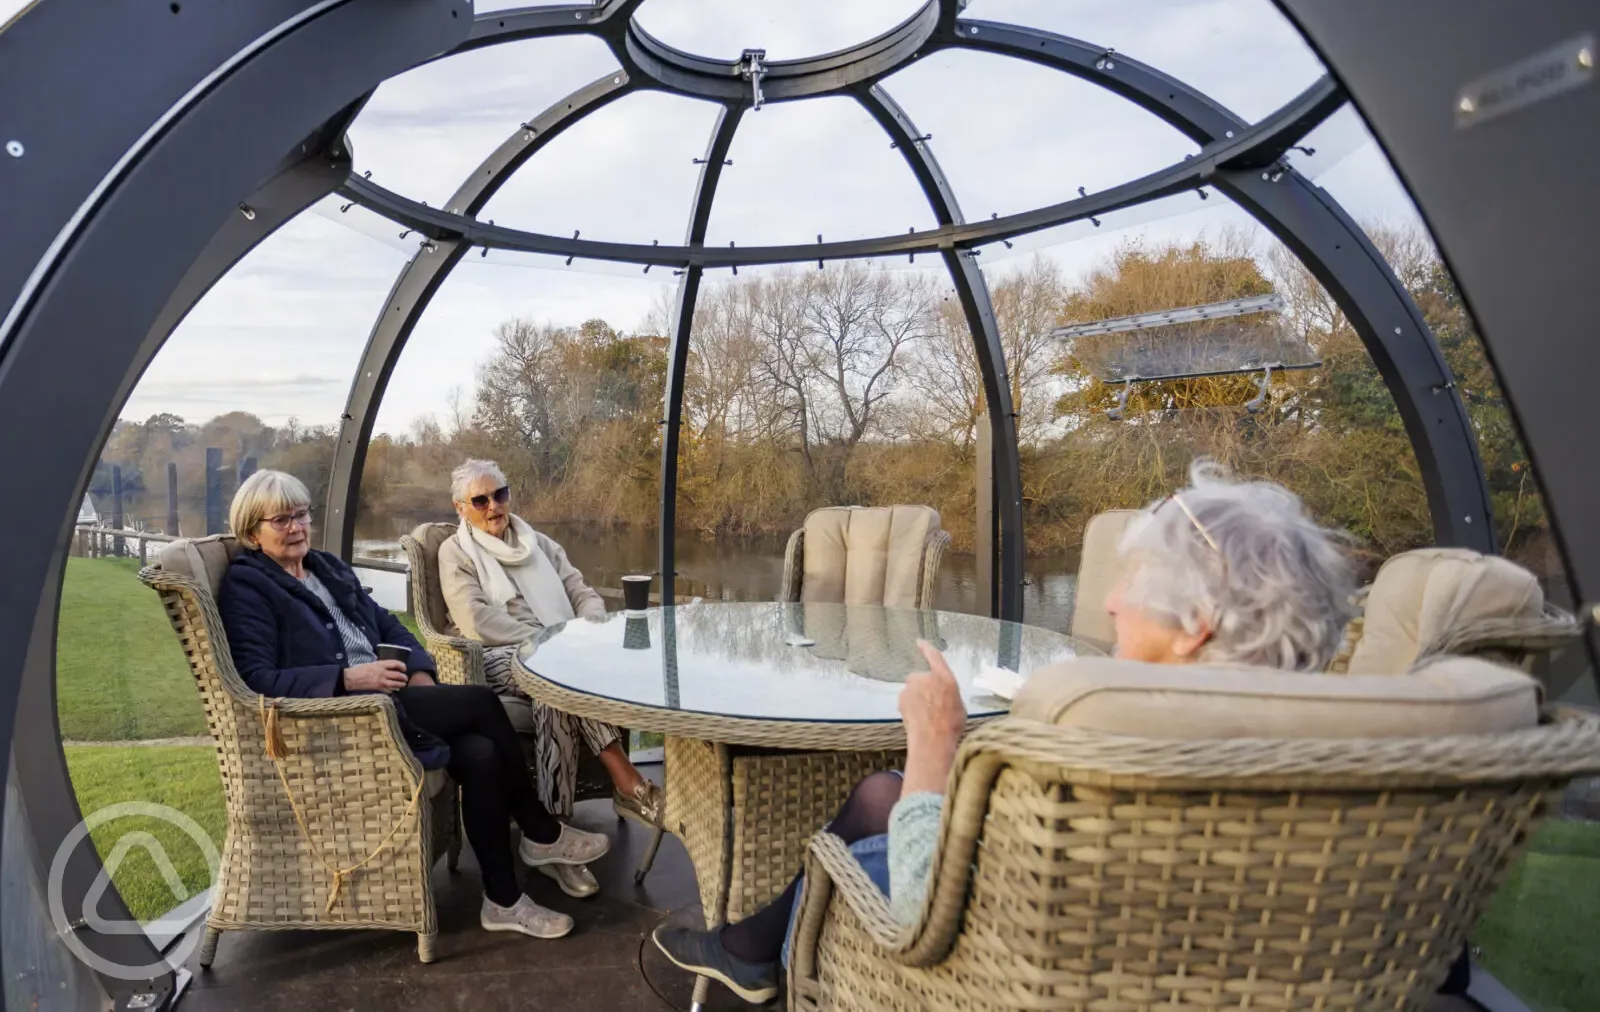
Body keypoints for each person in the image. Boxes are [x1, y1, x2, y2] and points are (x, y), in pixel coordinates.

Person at [651, 461, 1358, 1002]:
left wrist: (934, 743)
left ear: (1198, 620)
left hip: (990, 967)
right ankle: (745, 945)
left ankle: (751, 948)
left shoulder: (1119, 741)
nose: (1110, 600)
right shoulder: (1354, 768)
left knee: (868, 816)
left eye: (1133, 580)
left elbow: (924, 906)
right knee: (878, 791)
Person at [215, 469, 610, 939]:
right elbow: (255, 680)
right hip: (349, 718)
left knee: (481, 755)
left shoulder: (324, 568)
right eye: (281, 520)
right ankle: (541, 832)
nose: (297, 527)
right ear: (251, 531)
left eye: (301, 514)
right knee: (483, 702)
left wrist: (421, 673)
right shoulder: (248, 587)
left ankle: (503, 901)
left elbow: (389, 626)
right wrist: (346, 678)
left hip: (394, 696)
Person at [437, 459, 665, 835]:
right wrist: (545, 642)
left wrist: (587, 629)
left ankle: (554, 825)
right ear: (460, 508)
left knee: (551, 689)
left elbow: (582, 592)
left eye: (500, 494)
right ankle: (628, 782)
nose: (494, 506)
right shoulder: (455, 552)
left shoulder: (538, 543)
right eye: (480, 500)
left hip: (559, 648)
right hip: (491, 653)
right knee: (554, 671)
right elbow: (476, 619)